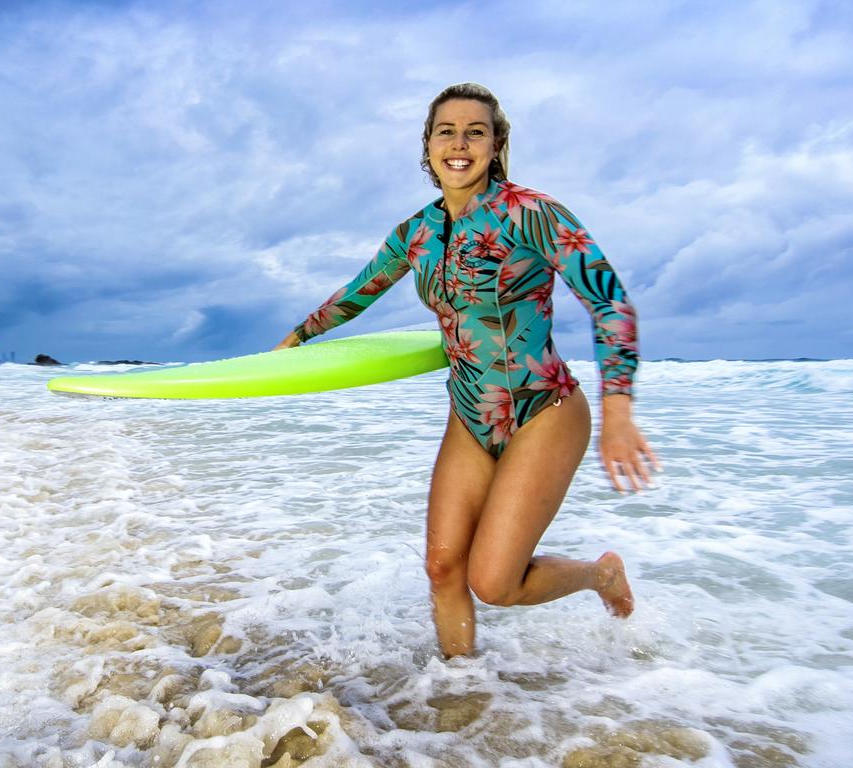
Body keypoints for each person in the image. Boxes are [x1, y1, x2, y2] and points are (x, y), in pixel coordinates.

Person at [275, 82, 658, 658]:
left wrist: (619, 410)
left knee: (496, 583)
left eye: (474, 132)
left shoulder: (531, 214)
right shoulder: (417, 233)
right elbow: (359, 291)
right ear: (427, 144)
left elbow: (610, 301)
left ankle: (599, 575)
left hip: (543, 411)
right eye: (445, 131)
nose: (459, 144)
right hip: (470, 415)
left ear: (496, 144)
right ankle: (458, 695)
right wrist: (299, 338)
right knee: (443, 566)